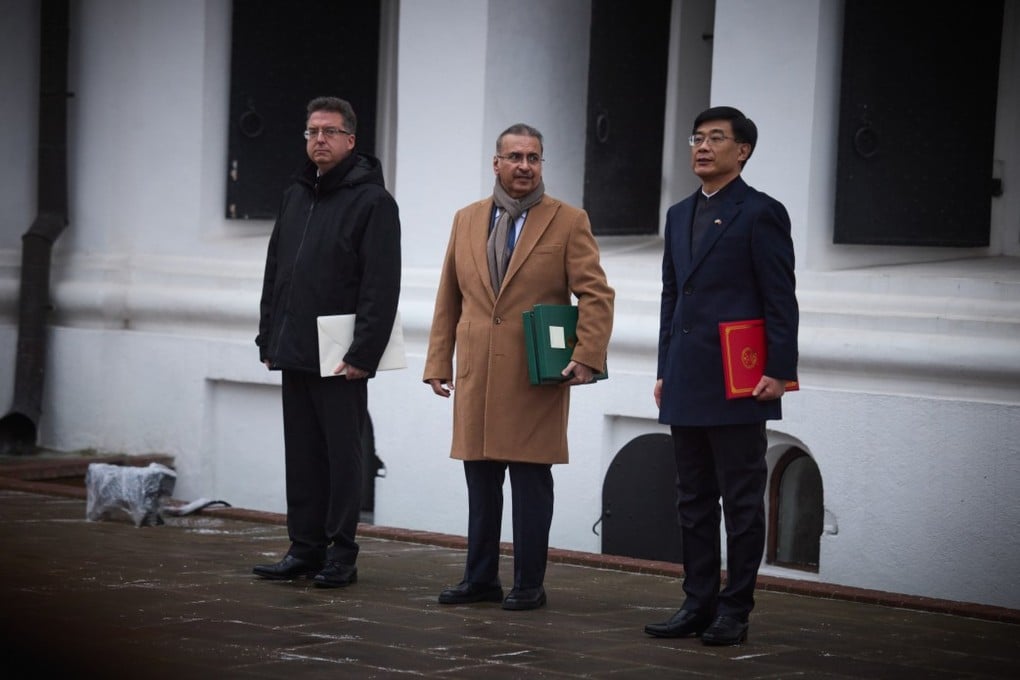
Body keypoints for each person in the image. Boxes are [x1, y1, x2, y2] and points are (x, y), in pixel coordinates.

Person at [423, 123, 614, 611]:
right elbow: (449, 295)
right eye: (514, 157)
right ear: (496, 163)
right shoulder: (466, 219)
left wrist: (587, 356)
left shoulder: (568, 221)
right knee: (481, 486)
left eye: (533, 157)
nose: (524, 166)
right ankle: (479, 579)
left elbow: (596, 294)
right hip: (477, 375)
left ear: (541, 164)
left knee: (531, 485)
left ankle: (529, 584)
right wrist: (437, 361)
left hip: (536, 376)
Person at [645, 106, 798, 645]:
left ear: (743, 151)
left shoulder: (760, 213)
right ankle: (697, 602)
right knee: (691, 500)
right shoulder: (678, 213)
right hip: (686, 378)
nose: (702, 147)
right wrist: (665, 369)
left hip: (740, 379)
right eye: (697, 138)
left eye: (716, 139)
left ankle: (736, 609)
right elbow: (672, 297)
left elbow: (781, 297)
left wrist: (780, 372)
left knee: (740, 499)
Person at [253, 96, 401, 588]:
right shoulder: (296, 194)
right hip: (293, 346)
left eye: (329, 132)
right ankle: (305, 547)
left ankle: (342, 554)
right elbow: (276, 270)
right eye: (312, 131)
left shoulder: (373, 202)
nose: (319, 140)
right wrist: (267, 335)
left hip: (340, 354)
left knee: (343, 457)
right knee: (303, 454)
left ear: (350, 141)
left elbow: (381, 285)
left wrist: (364, 353)